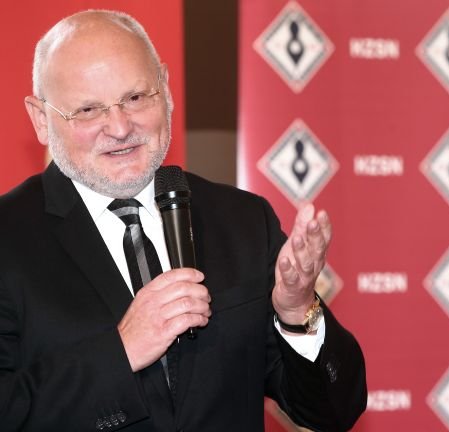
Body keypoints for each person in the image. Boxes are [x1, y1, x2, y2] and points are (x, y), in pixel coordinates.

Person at [0, 9, 366, 431]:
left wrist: (297, 311)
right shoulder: (8, 239)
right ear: (41, 119)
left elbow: (333, 410)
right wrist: (120, 353)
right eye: (88, 109)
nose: (119, 127)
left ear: (166, 90)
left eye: (136, 97)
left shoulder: (244, 221)